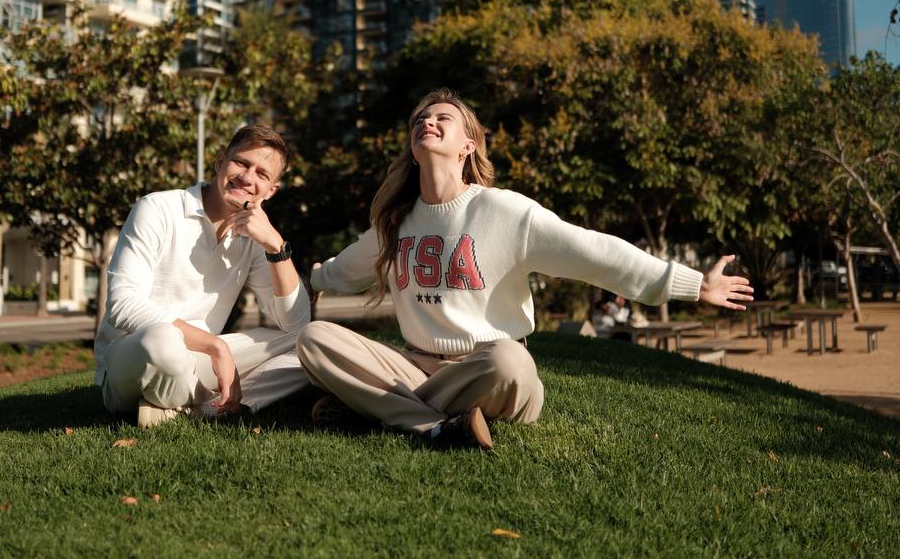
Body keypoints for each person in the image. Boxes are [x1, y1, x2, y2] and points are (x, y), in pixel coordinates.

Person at [298, 89, 752, 449]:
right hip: (415, 366)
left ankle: (374, 405)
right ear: (412, 149)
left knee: (508, 359)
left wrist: (692, 284)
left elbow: (595, 252)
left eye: (442, 118)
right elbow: (343, 270)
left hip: (492, 373)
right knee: (315, 338)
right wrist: (311, 278)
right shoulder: (395, 223)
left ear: (467, 146)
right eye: (420, 119)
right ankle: (435, 426)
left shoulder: (503, 212)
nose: (427, 122)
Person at [94, 124, 311, 427]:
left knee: (308, 343)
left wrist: (275, 245)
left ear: (271, 190)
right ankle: (209, 404)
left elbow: (296, 323)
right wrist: (215, 345)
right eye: (241, 163)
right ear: (220, 162)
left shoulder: (255, 236)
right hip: (135, 357)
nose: (247, 177)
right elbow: (123, 304)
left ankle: (198, 408)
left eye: (262, 174)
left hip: (197, 360)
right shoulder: (158, 208)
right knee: (163, 339)